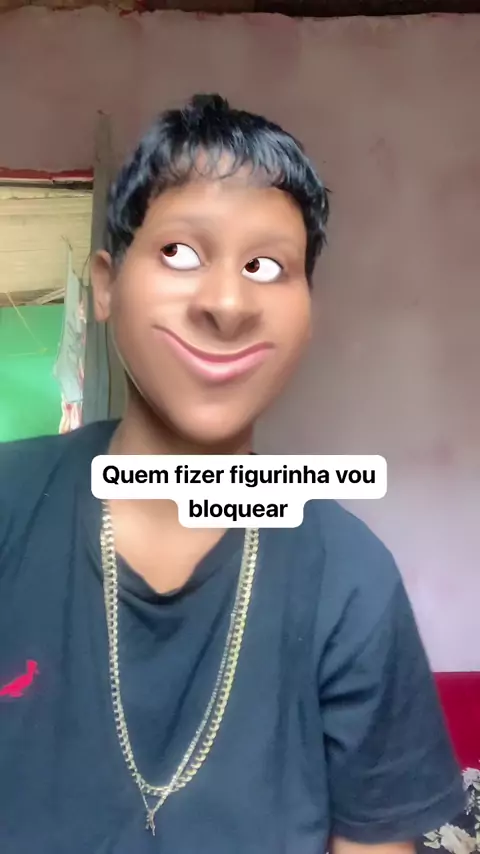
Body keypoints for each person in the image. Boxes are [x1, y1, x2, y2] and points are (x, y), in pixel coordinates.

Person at [0, 94, 463, 854]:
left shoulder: (348, 579)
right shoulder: (10, 507)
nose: (225, 303)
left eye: (266, 267)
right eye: (181, 253)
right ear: (106, 286)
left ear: (308, 313)